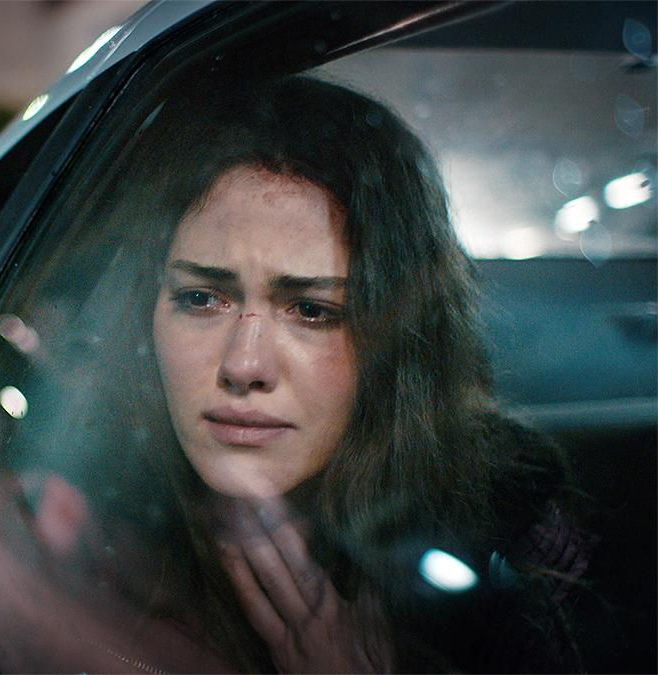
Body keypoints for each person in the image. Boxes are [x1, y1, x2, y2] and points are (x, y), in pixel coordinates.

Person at [86, 74, 595, 672]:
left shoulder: (500, 535)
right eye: (201, 299)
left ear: (396, 337)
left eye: (312, 310)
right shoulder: (87, 521)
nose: (243, 365)